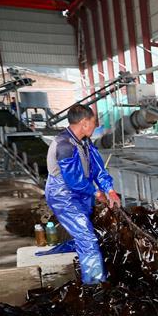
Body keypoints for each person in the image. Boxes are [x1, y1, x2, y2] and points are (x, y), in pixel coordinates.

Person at [44, 104, 121, 285]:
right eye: (94, 122)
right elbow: (73, 180)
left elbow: (97, 168)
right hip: (63, 195)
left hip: (82, 193)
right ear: (85, 123)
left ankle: (87, 266)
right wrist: (96, 193)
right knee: (87, 237)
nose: (95, 126)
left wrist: (109, 190)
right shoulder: (64, 145)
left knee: (84, 231)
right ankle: (94, 284)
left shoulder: (85, 141)